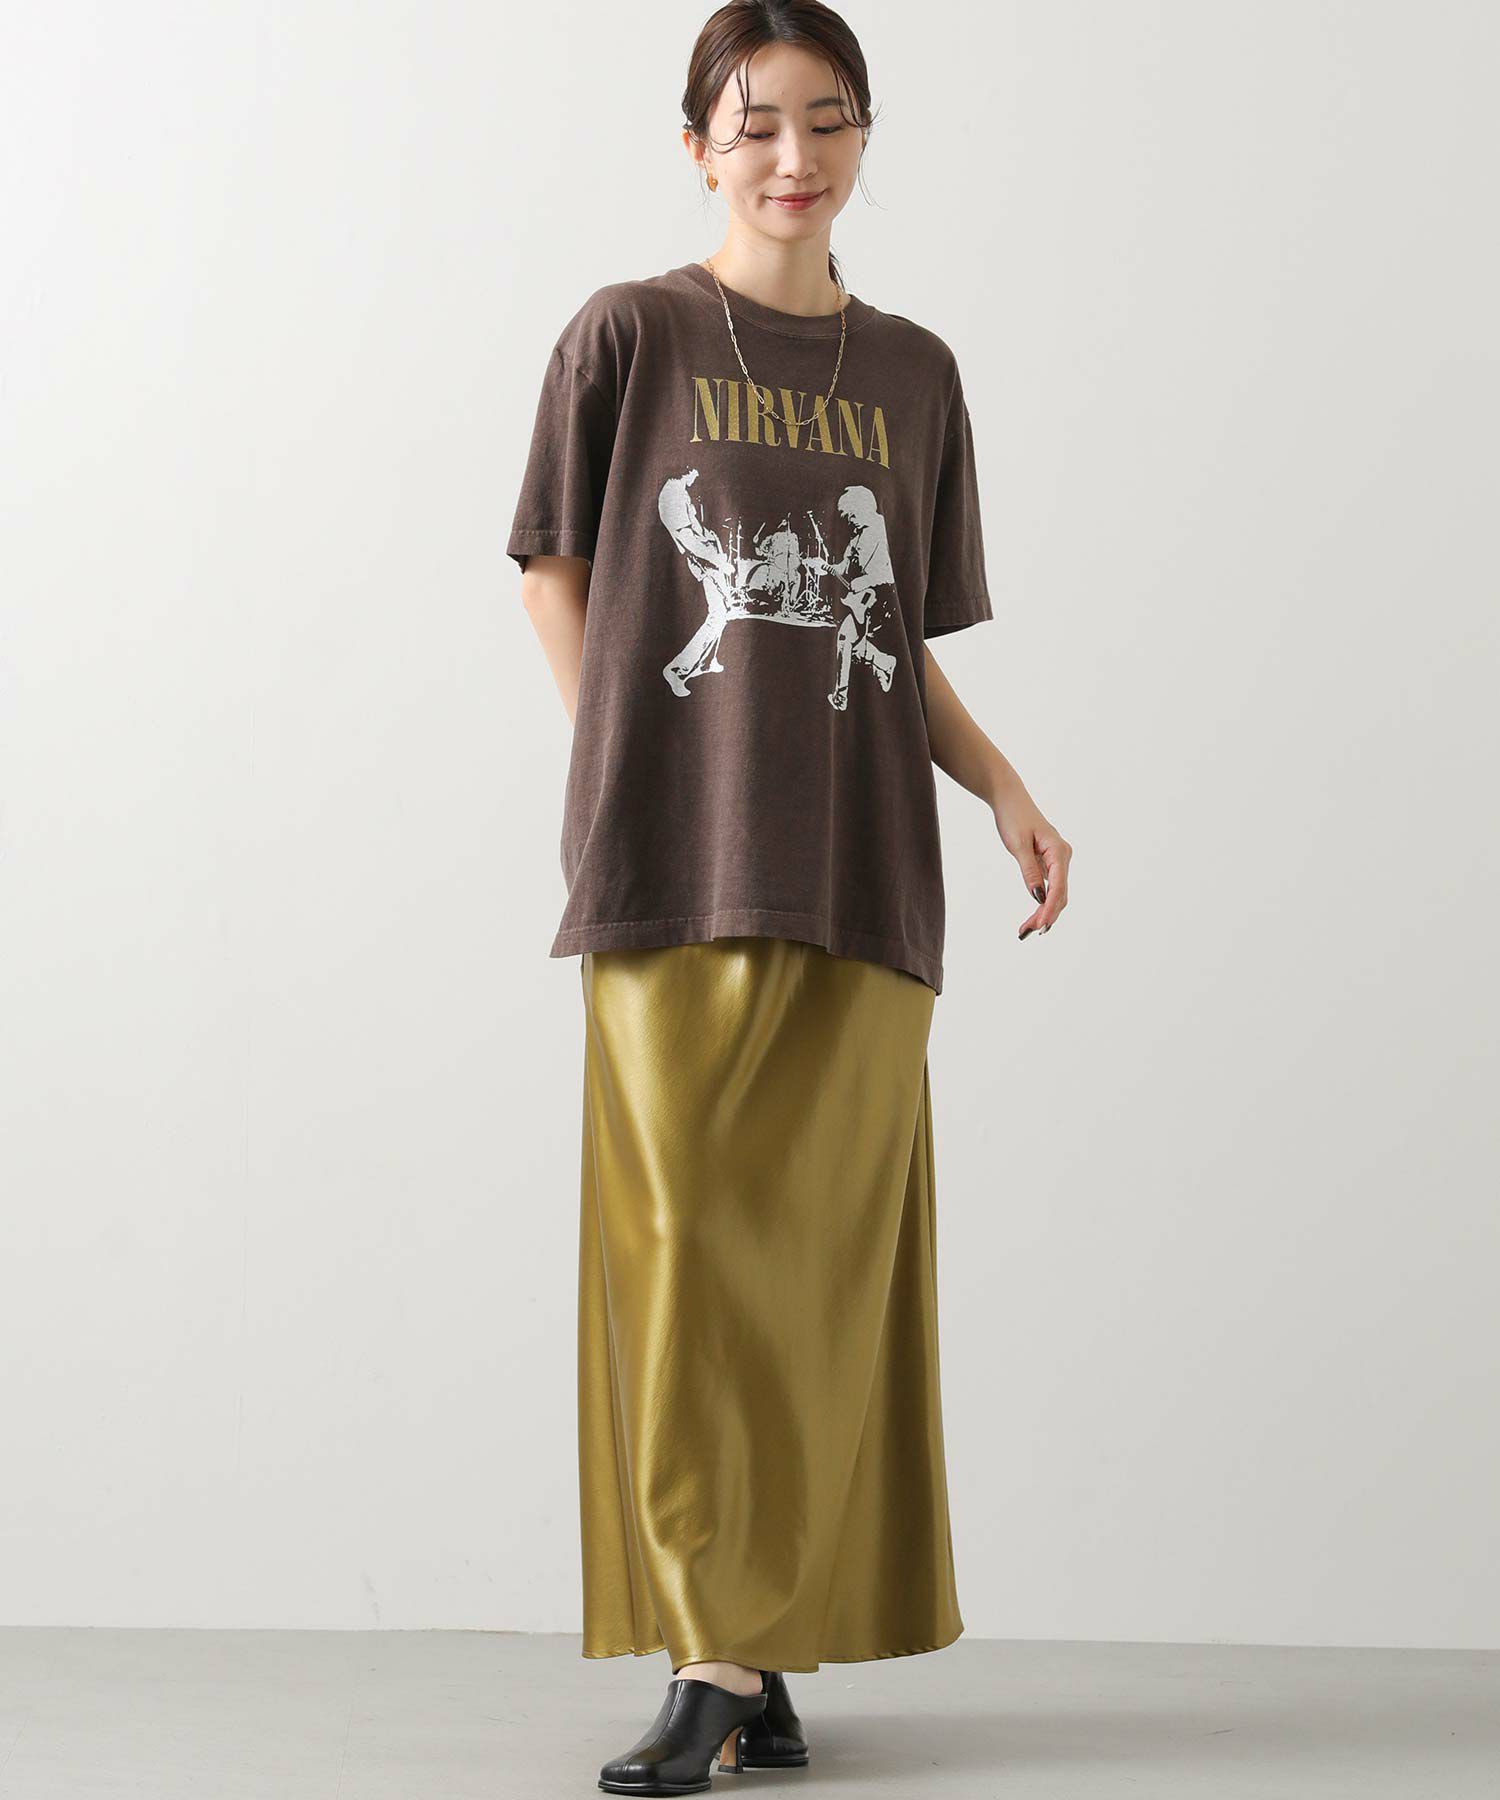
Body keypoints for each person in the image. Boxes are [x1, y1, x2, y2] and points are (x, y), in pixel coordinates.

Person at [507, 3, 1073, 1790]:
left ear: (864, 138)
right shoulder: (631, 333)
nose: (793, 157)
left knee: (819, 1275)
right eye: (753, 124)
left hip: (861, 868)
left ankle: (749, 1655)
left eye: (827, 121)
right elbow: (553, 570)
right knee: (685, 1254)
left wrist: (1003, 787)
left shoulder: (914, 372)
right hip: (668, 861)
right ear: (697, 145)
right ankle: (715, 1647)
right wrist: (626, 753)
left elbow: (890, 638)